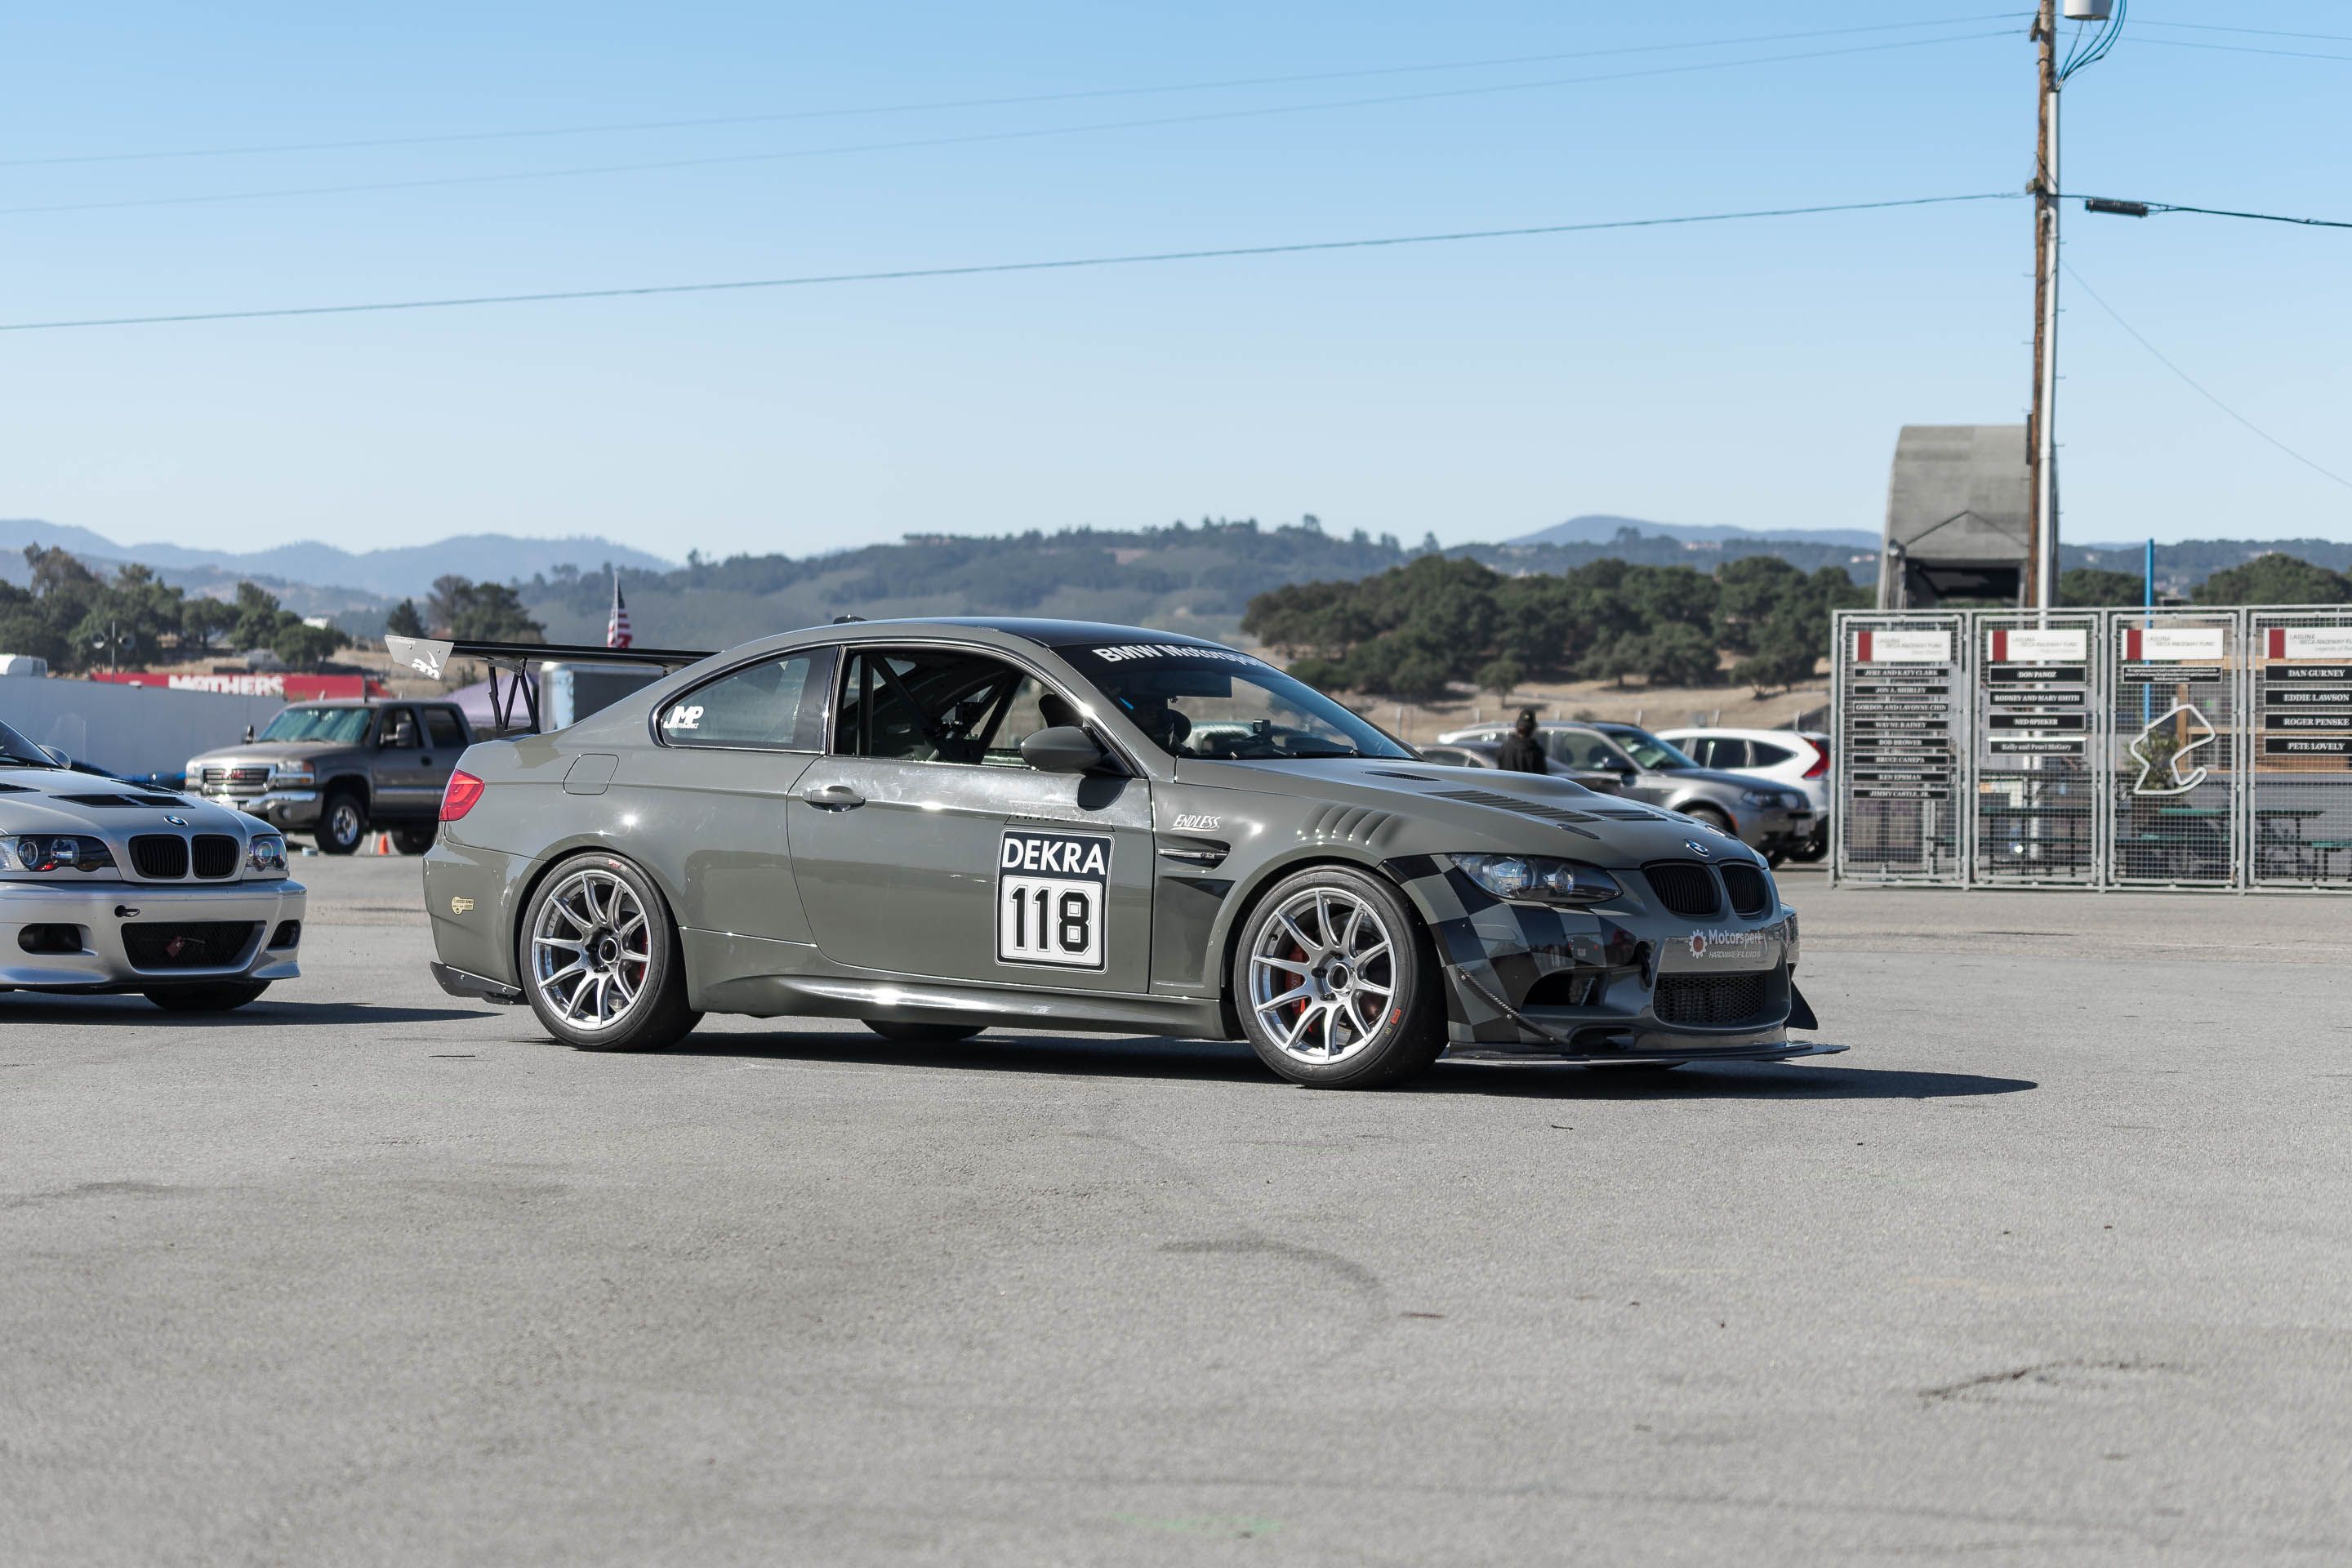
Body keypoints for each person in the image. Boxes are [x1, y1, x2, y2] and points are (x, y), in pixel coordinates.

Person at [1496, 708, 1548, 774]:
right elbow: (1542, 777)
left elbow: (1500, 771)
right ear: (1533, 729)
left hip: (1507, 784)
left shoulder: (1505, 747)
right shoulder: (1536, 751)